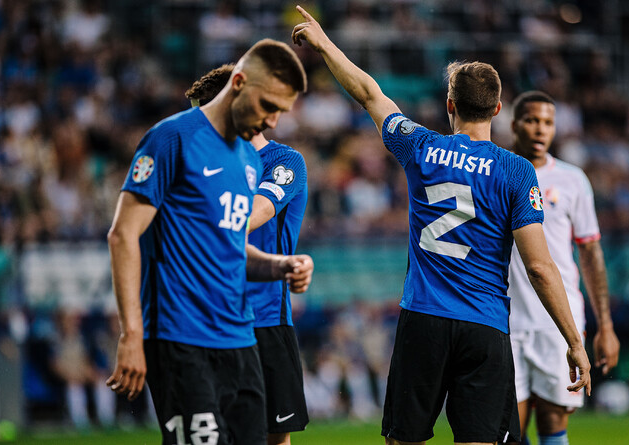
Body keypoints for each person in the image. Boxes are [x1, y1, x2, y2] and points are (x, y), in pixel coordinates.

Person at [291, 8, 590, 445]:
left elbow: (370, 94)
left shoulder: (421, 147)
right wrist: (574, 339)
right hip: (485, 326)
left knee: (403, 439)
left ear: (450, 104)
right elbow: (541, 268)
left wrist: (323, 44)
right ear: (499, 109)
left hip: (425, 319)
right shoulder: (517, 171)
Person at [105, 39, 312, 445]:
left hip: (241, 341)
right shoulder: (171, 139)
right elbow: (123, 234)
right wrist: (132, 334)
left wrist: (279, 267)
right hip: (182, 339)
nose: (272, 121)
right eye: (268, 106)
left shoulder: (250, 162)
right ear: (237, 83)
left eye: (280, 112)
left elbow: (230, 245)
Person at [186, 64, 310, 445]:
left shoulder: (283, 163)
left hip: (266, 319)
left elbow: (258, 212)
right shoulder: (204, 166)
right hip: (211, 320)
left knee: (275, 437)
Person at [507, 91, 620, 445]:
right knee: (508, 430)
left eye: (548, 122)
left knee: (554, 426)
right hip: (504, 319)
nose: (541, 129)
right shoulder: (498, 172)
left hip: (559, 321)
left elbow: (590, 252)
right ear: (514, 125)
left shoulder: (573, 180)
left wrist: (605, 324)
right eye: (532, 120)